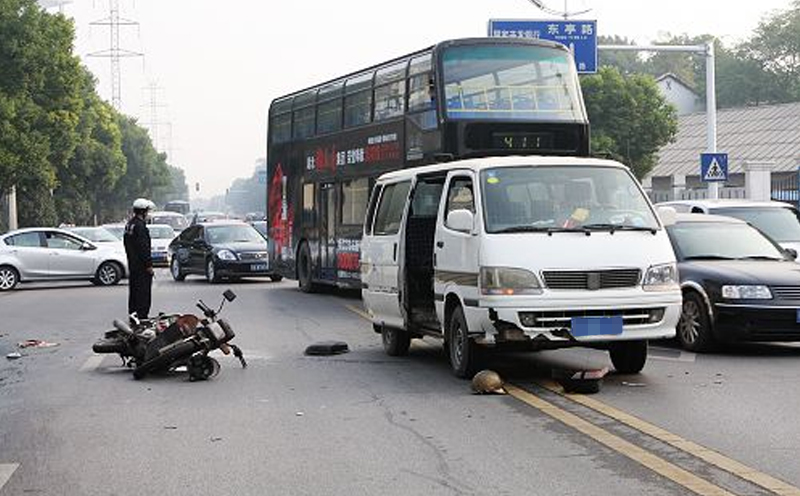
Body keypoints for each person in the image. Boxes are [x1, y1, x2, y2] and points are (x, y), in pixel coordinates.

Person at [124, 198, 155, 322]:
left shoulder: (129, 224)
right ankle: (142, 318)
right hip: (142, 267)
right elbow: (143, 247)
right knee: (143, 294)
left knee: (134, 293)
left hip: (133, 265)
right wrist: (149, 265)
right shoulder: (140, 226)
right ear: (143, 212)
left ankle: (133, 315)